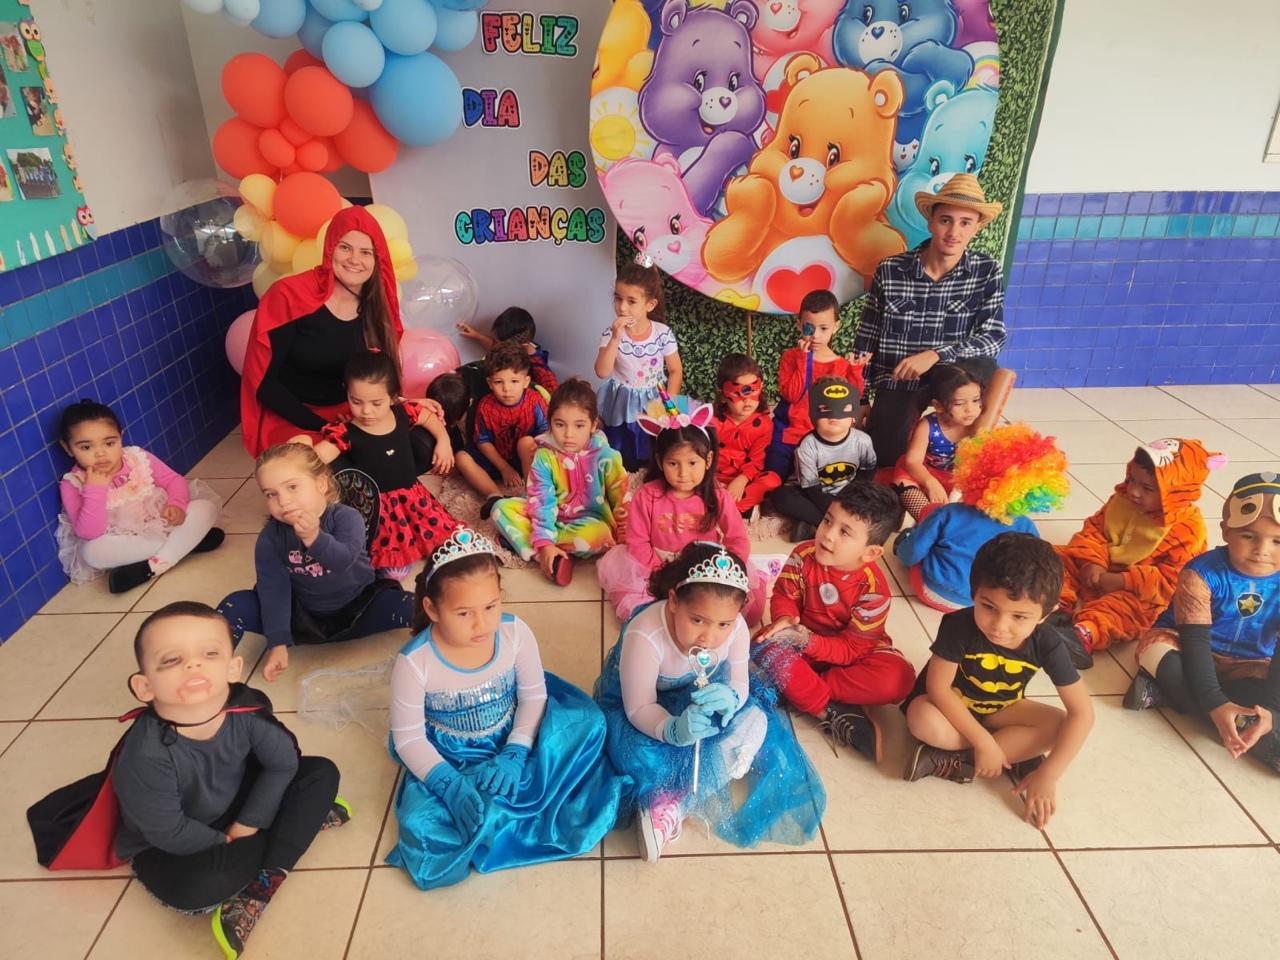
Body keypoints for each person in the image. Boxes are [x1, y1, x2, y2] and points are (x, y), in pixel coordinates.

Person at [387, 529, 629, 889]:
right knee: (427, 827)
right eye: (463, 613)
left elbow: (533, 697)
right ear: (432, 609)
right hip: (453, 757)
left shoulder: (515, 633)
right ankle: (499, 810)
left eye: (491, 607)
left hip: (516, 729)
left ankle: (518, 793)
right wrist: (449, 785)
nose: (481, 623)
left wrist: (515, 752)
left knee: (590, 724)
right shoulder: (414, 663)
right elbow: (408, 739)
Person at [113, 602, 347, 959]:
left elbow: (283, 764)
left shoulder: (244, 712)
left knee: (321, 773)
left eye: (209, 654)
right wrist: (227, 839)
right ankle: (291, 831)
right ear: (144, 686)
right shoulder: (146, 754)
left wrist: (248, 823)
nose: (193, 665)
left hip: (236, 807)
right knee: (200, 886)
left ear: (233, 668)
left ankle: (261, 887)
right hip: (176, 843)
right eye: (172, 660)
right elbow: (167, 831)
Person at [594, 542, 825, 861]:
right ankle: (666, 798)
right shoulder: (644, 635)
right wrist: (672, 730)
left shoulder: (737, 629)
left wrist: (732, 698)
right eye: (698, 620)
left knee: (756, 719)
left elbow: (740, 682)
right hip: (647, 706)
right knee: (633, 751)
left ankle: (676, 805)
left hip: (704, 691)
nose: (709, 637)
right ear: (673, 601)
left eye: (723, 624)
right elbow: (638, 708)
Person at [902, 533, 1094, 831]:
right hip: (950, 708)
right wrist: (984, 742)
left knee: (1059, 725)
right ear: (973, 593)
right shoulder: (959, 625)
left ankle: (958, 762)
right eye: (989, 607)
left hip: (1001, 709)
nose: (1000, 626)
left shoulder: (1048, 643)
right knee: (921, 718)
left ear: (1046, 614)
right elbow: (938, 689)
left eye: (1019, 616)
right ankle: (1005, 756)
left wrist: (1049, 774)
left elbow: (1082, 713)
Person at [216, 443, 415, 684]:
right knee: (236, 604)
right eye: (271, 494)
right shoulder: (270, 537)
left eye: (292, 487)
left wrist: (314, 538)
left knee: (416, 606)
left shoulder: (346, 518)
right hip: (301, 619)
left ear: (321, 484)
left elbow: (342, 561)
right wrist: (278, 642)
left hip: (359, 609)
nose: (283, 501)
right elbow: (274, 588)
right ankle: (214, 670)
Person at [1125, 473, 1280, 772]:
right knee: (1158, 655)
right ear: (1226, 531)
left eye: (1278, 541)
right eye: (1249, 536)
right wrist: (1214, 703)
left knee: (1269, 696)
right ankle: (1244, 729)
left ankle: (1170, 696)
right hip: (1185, 648)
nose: (1262, 550)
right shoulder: (1200, 573)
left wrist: (1273, 711)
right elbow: (1195, 642)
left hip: (1251, 663)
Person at [854, 173, 1007, 467]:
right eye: (946, 220)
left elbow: (993, 337)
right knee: (884, 459)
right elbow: (867, 335)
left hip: (953, 381)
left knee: (983, 366)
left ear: (977, 227)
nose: (954, 232)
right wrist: (860, 396)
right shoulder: (891, 270)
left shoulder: (987, 271)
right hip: (899, 380)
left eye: (965, 222)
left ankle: (956, 462)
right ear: (931, 222)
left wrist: (935, 355)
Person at [753, 484, 912, 762]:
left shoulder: (874, 591)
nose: (827, 534)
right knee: (763, 646)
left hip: (853, 656)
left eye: (845, 532)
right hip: (801, 643)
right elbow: (784, 596)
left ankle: (801, 690)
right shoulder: (803, 555)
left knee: (899, 678)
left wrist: (808, 642)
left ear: (871, 553)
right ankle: (827, 711)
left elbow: (852, 649)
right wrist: (785, 619)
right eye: (828, 520)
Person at [240, 206, 402, 456]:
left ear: (377, 259)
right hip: (297, 416)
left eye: (365, 252)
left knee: (409, 448)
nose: (354, 260)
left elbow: (379, 375)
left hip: (354, 410)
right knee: (319, 466)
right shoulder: (288, 296)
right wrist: (325, 427)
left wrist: (369, 411)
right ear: (330, 249)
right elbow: (265, 385)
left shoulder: (378, 304)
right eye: (345, 247)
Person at [1050, 438, 1224, 669]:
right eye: (1131, 480)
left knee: (1133, 610)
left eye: (1147, 488)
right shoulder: (1121, 501)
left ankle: (1084, 633)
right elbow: (1093, 530)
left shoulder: (1188, 529)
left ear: (1176, 492)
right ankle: (1056, 606)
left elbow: (1174, 580)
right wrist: (1093, 562)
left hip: (1137, 590)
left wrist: (1124, 580)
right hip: (1097, 571)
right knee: (1052, 557)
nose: (1133, 491)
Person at [596, 393, 766, 624]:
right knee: (639, 613)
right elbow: (637, 542)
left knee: (751, 612)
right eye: (673, 463)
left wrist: (724, 569)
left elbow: (737, 539)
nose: (683, 473)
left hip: (706, 568)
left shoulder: (718, 496)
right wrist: (663, 573)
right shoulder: (647, 495)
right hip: (657, 567)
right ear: (660, 462)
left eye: (692, 463)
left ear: (708, 460)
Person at [309, 349, 459, 579]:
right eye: (356, 401)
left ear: (393, 397)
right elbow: (316, 457)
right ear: (347, 393)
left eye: (376, 403)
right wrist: (298, 454)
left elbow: (427, 417)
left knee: (444, 539)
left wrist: (444, 441)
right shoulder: (346, 432)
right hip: (378, 507)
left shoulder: (403, 412)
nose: (366, 411)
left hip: (412, 496)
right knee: (388, 563)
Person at [55, 400, 224, 593]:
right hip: (125, 540)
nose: (100, 454)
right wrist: (95, 490)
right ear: (67, 447)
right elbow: (89, 533)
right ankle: (185, 544)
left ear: (121, 437)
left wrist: (176, 504)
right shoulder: (73, 483)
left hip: (160, 522)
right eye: (86, 447)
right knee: (92, 553)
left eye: (109, 443)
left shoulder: (136, 458)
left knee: (204, 507)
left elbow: (174, 480)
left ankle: (155, 564)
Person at [895, 423, 1069, 611]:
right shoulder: (1026, 528)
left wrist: (902, 550)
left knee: (926, 519)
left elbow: (912, 554)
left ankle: (909, 534)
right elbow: (1029, 571)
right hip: (986, 603)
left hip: (934, 592)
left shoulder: (948, 513)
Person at [492, 378, 629, 585]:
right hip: (550, 516)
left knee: (599, 535)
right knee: (500, 508)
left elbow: (622, 500)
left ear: (593, 425)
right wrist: (545, 543)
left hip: (590, 522)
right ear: (550, 424)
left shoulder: (607, 457)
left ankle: (530, 544)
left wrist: (626, 539)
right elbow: (540, 500)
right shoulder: (544, 456)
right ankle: (548, 555)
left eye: (579, 425)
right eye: (559, 424)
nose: (568, 434)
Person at [764, 289, 870, 480]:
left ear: (836, 327)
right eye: (809, 328)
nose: (815, 336)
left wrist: (855, 371)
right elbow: (792, 395)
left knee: (825, 481)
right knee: (772, 477)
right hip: (788, 434)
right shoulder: (791, 357)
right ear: (799, 325)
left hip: (824, 438)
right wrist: (804, 360)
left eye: (823, 328)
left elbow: (850, 402)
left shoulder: (841, 365)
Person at [595, 256, 683, 470]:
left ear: (650, 304)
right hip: (621, 402)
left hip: (654, 400)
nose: (622, 308)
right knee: (621, 448)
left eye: (631, 301)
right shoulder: (610, 334)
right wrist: (615, 339)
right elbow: (602, 372)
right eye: (618, 299)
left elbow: (675, 370)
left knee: (652, 448)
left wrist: (669, 404)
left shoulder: (662, 333)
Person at [767, 375, 877, 542]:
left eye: (842, 408)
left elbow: (867, 473)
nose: (834, 415)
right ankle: (829, 524)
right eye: (825, 408)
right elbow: (811, 488)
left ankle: (814, 526)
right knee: (781, 496)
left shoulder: (863, 441)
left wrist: (850, 499)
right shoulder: (807, 446)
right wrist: (837, 510)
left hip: (848, 492)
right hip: (811, 494)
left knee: (877, 498)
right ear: (813, 413)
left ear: (853, 415)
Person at [455, 342, 550, 519]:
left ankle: (532, 494)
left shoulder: (535, 400)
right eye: (499, 382)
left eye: (514, 381)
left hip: (525, 459)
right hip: (495, 458)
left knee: (526, 442)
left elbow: (546, 433)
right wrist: (504, 468)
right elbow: (482, 441)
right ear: (490, 383)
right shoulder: (485, 406)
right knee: (461, 458)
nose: (507, 389)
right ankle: (494, 496)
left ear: (525, 381)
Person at [893, 363, 987, 520]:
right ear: (938, 406)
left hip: (957, 480)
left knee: (973, 511)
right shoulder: (928, 425)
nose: (970, 409)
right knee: (906, 489)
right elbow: (912, 462)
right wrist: (930, 483)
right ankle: (928, 521)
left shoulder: (979, 427)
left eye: (976, 400)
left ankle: (949, 525)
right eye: (959, 403)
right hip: (924, 473)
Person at [712, 353, 781, 518]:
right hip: (713, 479)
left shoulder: (764, 424)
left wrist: (742, 479)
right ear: (723, 396)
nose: (747, 400)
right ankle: (738, 510)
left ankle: (726, 509)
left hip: (745, 479)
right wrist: (712, 480)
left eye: (753, 391)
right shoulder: (711, 422)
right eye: (738, 394)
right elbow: (700, 454)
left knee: (772, 480)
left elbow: (757, 460)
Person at [456, 305, 559, 396]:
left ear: (522, 347)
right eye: (493, 341)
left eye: (495, 342)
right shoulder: (513, 348)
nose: (493, 346)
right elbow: (495, 347)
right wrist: (477, 336)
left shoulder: (538, 368)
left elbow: (553, 391)